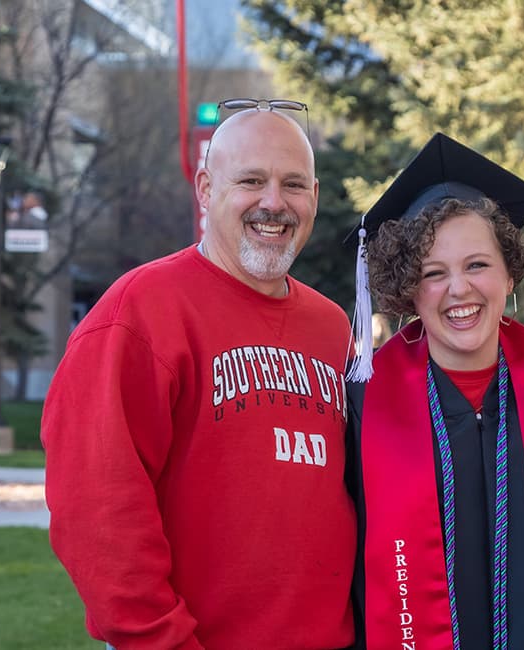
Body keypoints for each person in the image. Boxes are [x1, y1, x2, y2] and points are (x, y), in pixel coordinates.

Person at [41, 103, 356, 649]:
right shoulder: (140, 312)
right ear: (206, 190)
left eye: (294, 185)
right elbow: (98, 509)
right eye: (251, 181)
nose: (274, 203)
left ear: (316, 197)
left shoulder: (331, 327)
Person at [346, 133, 524, 649]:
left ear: (509, 274)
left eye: (477, 265)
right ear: (410, 288)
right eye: (433, 273)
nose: (459, 289)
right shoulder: (365, 401)